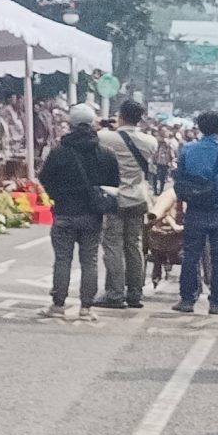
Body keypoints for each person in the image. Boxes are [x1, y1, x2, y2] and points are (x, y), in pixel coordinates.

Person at [38, 104, 119, 321]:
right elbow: (113, 185)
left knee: (63, 260)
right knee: (89, 260)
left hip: (64, 212)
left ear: (71, 125)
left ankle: (58, 304)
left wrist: (58, 194)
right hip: (92, 215)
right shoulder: (106, 154)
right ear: (93, 124)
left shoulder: (59, 152)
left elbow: (44, 178)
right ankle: (86, 308)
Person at [170, 107, 218, 315]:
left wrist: (179, 210)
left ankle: (187, 300)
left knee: (190, 256)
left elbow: (180, 184)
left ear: (199, 128)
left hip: (196, 211)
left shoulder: (188, 150)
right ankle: (217, 302)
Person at [94, 99, 161, 311]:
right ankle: (135, 292)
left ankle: (114, 293)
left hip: (115, 196)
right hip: (139, 198)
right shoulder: (150, 141)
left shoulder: (105, 137)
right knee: (134, 245)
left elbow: (95, 132)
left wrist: (105, 124)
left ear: (120, 115)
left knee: (113, 245)